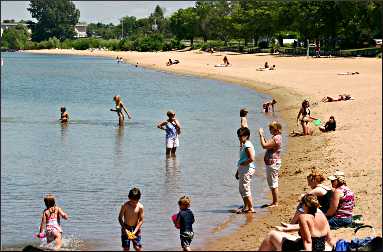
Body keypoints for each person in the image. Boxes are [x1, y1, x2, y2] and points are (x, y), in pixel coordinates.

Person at [259, 194, 336, 251]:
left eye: (301, 204)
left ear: (305, 206)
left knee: (271, 234)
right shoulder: (322, 215)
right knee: (291, 239)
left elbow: (308, 241)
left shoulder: (303, 217)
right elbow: (329, 239)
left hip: (305, 248)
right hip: (321, 248)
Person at [259, 121, 282, 207]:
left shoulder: (276, 138)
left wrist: (261, 135)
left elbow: (264, 146)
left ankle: (275, 202)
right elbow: (268, 145)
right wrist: (263, 137)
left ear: (276, 129)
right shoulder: (277, 137)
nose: (270, 131)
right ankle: (274, 201)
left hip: (273, 163)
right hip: (273, 162)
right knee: (272, 182)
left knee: (273, 183)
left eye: (271, 129)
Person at [235, 127, 256, 213]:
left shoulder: (247, 145)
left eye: (241, 136)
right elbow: (242, 159)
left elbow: (251, 158)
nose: (239, 137)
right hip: (243, 168)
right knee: (241, 189)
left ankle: (251, 208)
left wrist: (243, 164)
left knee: (245, 188)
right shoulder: (244, 144)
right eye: (238, 136)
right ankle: (246, 206)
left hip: (247, 168)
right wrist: (238, 171)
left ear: (246, 136)